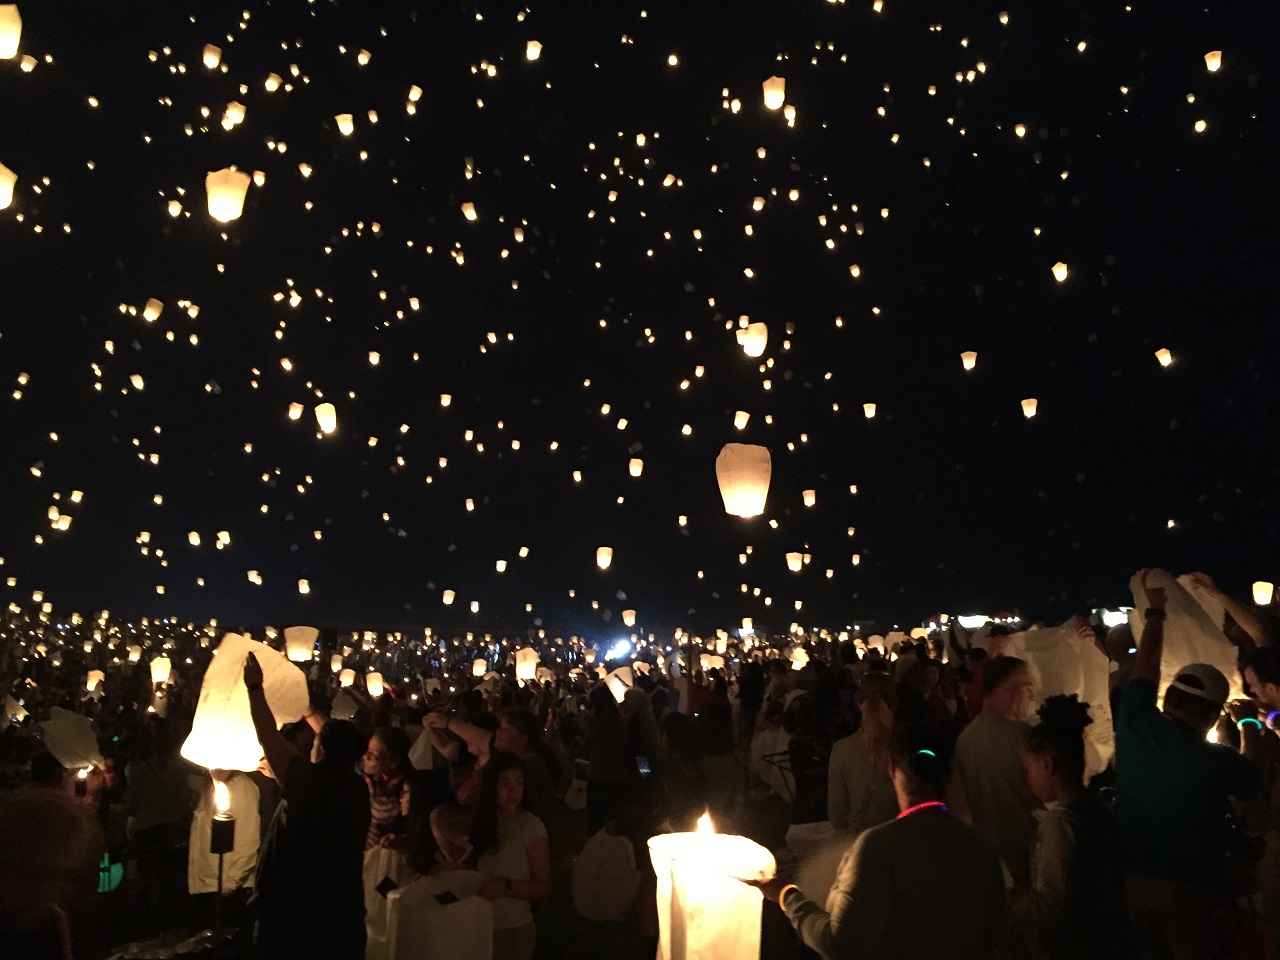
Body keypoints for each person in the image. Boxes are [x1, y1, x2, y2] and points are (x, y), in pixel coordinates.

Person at [761, 721, 1006, 959]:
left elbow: (842, 945)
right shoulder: (981, 847)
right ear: (949, 774)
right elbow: (994, 935)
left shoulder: (877, 848)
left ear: (891, 770)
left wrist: (787, 896)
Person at [1116, 571, 1262, 960]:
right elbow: (1256, 775)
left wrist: (1157, 612)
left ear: (1167, 700)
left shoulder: (1134, 724)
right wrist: (1249, 723)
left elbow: (1147, 660)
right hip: (1191, 890)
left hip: (1132, 883)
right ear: (1216, 716)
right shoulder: (1216, 762)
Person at [245, 653, 371, 960]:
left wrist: (254, 687)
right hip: (341, 917)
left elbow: (267, 734)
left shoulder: (306, 779)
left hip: (293, 916)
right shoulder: (357, 789)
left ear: (322, 750)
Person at [1012, 695, 1130, 959]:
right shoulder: (1095, 807)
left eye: (1028, 769)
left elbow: (1052, 905)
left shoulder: (1060, 825)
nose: (1027, 778)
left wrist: (1011, 902)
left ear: (1047, 765)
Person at [951, 655, 1041, 886]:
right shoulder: (1023, 736)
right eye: (1027, 688)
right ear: (1004, 690)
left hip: (988, 858)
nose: (1032, 697)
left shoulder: (965, 737)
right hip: (1028, 853)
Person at [471, 751, 552, 960]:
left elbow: (542, 886)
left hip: (513, 928)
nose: (513, 791)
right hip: (481, 924)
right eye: (504, 784)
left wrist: (505, 886)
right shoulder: (486, 822)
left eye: (519, 783)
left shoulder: (530, 826)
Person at [827, 672, 899, 836]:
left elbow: (837, 819)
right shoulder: (909, 746)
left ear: (859, 704)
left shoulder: (842, 750)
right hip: (905, 841)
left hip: (861, 844)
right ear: (895, 703)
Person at [364, 725, 411, 850]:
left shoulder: (407, 790)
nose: (366, 757)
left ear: (394, 760)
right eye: (367, 751)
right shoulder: (374, 780)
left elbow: (414, 832)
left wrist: (400, 839)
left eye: (373, 754)